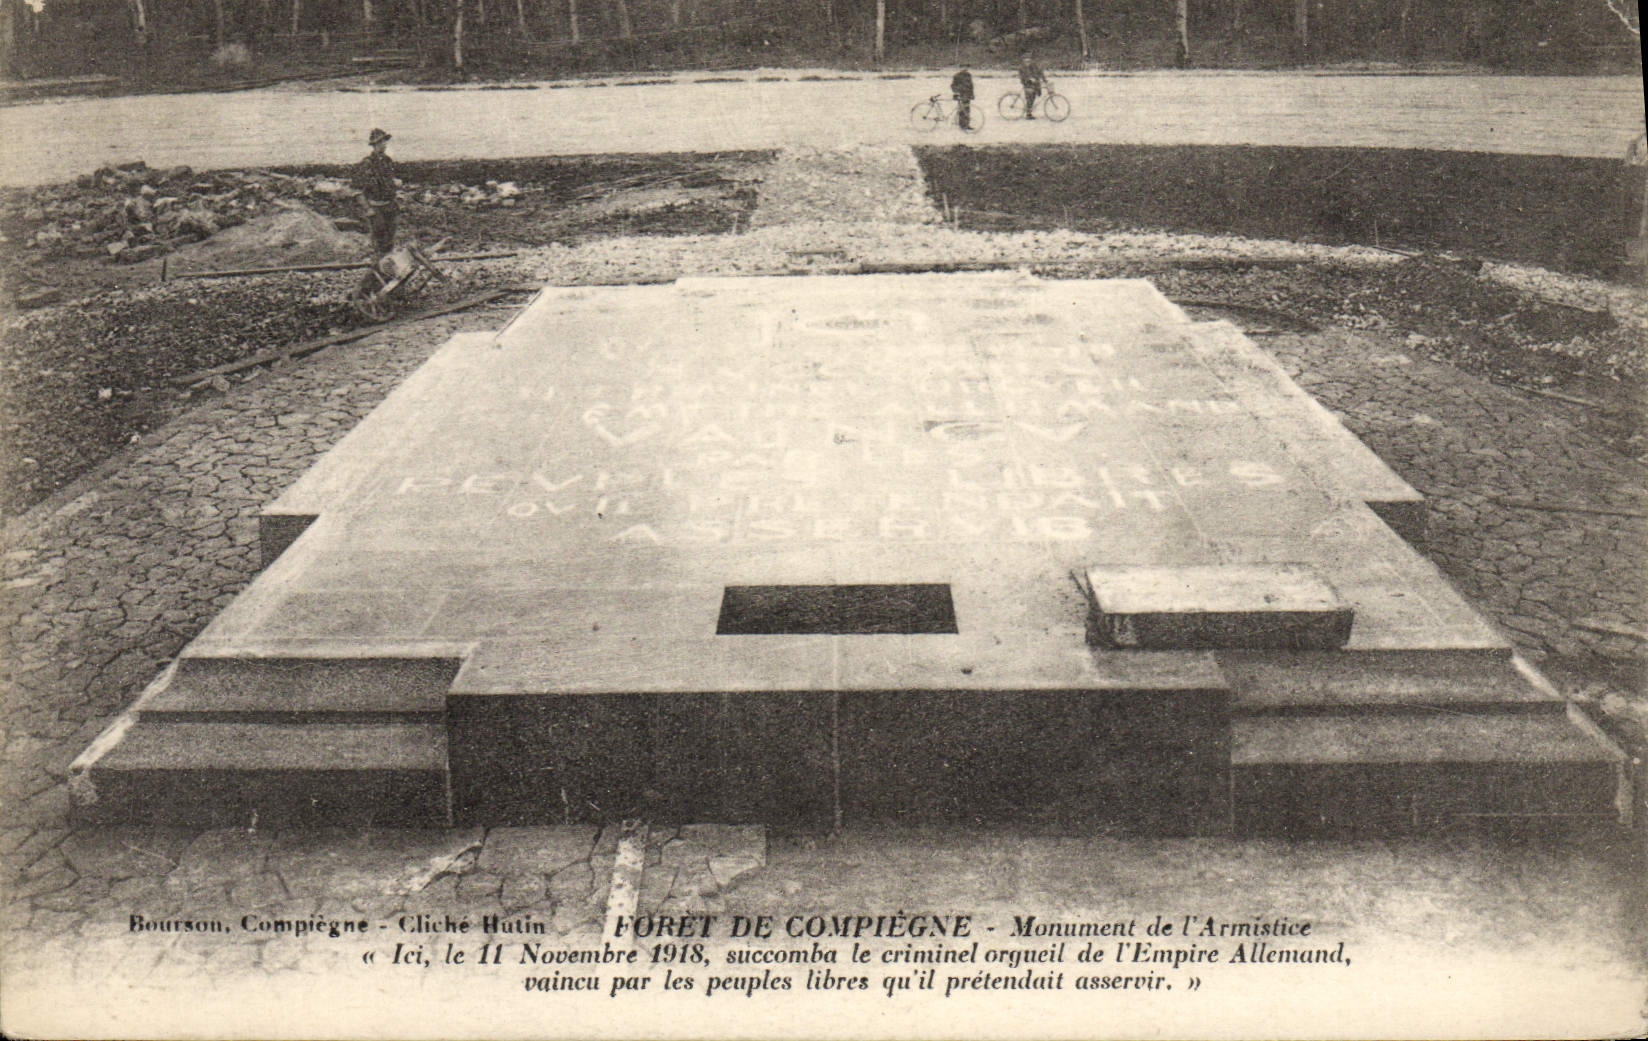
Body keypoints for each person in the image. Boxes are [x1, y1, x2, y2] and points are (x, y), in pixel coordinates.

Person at [351, 128, 398, 301]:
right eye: (380, 142)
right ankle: (370, 287)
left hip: (389, 208)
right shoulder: (366, 164)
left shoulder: (387, 161)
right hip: (376, 210)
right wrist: (369, 210)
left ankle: (387, 282)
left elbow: (390, 184)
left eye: (385, 141)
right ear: (374, 145)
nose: (383, 145)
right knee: (380, 249)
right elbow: (357, 191)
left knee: (389, 246)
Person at [1017, 53, 1047, 119]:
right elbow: (1022, 77)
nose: (1028, 62)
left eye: (1029, 61)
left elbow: (1040, 72)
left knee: (1034, 96)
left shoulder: (1033, 66)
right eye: (1026, 61)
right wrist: (1029, 79)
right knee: (1030, 96)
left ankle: (1029, 111)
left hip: (1034, 84)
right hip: (1027, 84)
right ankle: (1028, 113)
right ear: (1023, 61)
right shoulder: (1021, 68)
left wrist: (1045, 80)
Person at [950, 66, 974, 131]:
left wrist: (972, 94)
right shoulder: (957, 76)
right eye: (963, 67)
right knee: (961, 110)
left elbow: (971, 86)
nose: (964, 69)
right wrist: (956, 92)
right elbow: (953, 85)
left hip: (967, 95)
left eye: (965, 67)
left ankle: (966, 124)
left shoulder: (968, 75)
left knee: (967, 110)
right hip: (961, 95)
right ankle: (962, 125)